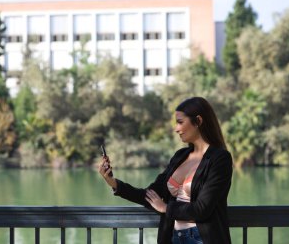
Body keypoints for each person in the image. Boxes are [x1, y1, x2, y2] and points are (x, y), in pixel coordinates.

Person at [98, 97, 233, 244]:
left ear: (198, 121)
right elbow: (150, 196)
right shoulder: (180, 156)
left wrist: (166, 208)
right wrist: (113, 183)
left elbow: (202, 209)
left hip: (203, 239)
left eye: (180, 122)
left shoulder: (220, 159)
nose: (176, 128)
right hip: (173, 237)